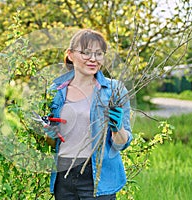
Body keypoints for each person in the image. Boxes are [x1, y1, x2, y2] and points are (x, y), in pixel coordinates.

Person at [44, 29, 132, 200]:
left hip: (98, 176)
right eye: (86, 53)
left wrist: (117, 128)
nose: (93, 59)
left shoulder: (115, 90)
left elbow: (122, 144)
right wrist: (49, 134)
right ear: (70, 55)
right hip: (63, 175)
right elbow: (52, 142)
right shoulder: (55, 91)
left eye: (99, 54)